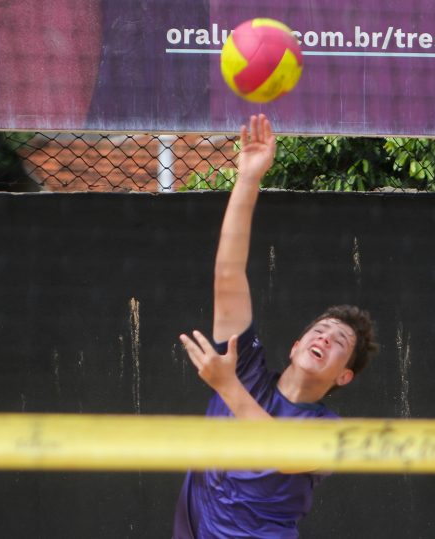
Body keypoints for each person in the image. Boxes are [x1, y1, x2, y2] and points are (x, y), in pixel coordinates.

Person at [173, 114, 378, 538]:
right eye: (320, 330)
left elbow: (284, 453)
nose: (325, 336)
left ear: (344, 374)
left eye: (339, 341)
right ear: (295, 345)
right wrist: (248, 178)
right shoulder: (244, 368)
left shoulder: (330, 431)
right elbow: (228, 275)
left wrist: (225, 386)